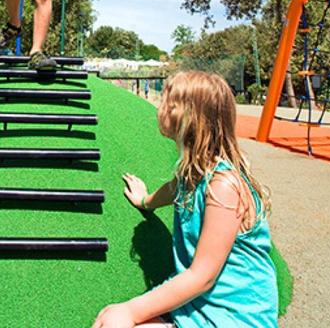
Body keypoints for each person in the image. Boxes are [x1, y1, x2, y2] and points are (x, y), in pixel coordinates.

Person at [92, 71, 278, 328]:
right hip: (200, 303)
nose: (160, 108)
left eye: (167, 102)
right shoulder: (194, 172)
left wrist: (130, 311)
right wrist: (145, 201)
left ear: (187, 118)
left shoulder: (223, 187)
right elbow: (174, 189)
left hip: (234, 315)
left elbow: (202, 277)